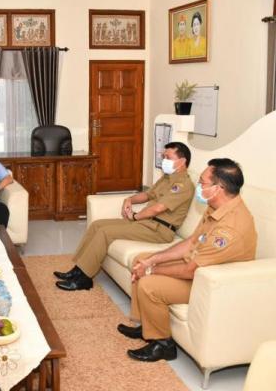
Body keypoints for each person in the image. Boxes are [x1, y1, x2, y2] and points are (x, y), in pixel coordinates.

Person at [119, 158, 257, 362]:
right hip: (198, 266)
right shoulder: (216, 207)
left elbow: (190, 271)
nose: (199, 187)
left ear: (218, 188)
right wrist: (152, 260)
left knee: (149, 283)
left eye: (202, 183)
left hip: (212, 283)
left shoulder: (230, 228)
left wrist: (150, 270)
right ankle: (147, 327)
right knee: (143, 258)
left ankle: (163, 344)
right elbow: (192, 242)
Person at [54, 142, 195, 291]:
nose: (164, 160)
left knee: (105, 233)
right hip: (147, 223)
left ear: (182, 161)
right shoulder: (167, 178)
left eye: (168, 157)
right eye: (163, 156)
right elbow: (148, 195)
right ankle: (78, 269)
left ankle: (84, 279)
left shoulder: (183, 185)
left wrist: (135, 216)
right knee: (97, 225)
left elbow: (158, 209)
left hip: (160, 230)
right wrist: (129, 200)